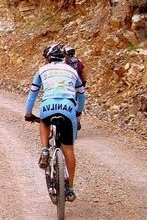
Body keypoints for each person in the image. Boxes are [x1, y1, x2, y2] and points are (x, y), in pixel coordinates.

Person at [25, 43, 86, 202]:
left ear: (47, 58)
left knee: (44, 122)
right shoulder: (72, 70)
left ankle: (45, 149)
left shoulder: (42, 70)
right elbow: (81, 94)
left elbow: (33, 93)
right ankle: (70, 189)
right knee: (69, 150)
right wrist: (78, 111)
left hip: (48, 106)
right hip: (68, 108)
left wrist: (28, 113)